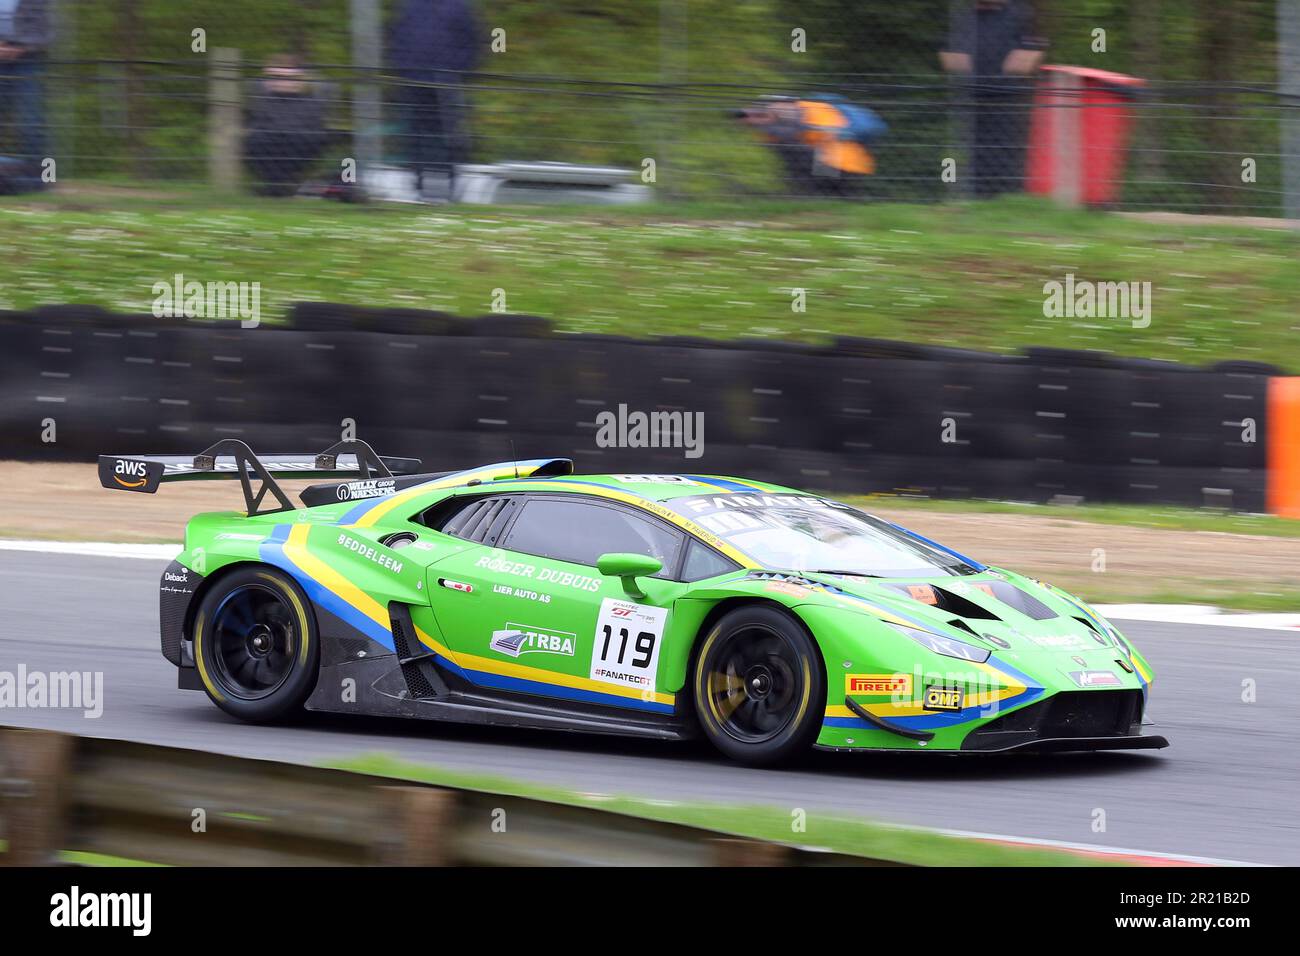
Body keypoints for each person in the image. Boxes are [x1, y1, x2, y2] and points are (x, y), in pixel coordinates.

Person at [940, 0, 1046, 198]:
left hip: (1008, 103)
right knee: (974, 158)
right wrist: (975, 79)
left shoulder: (1020, 13)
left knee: (1007, 156)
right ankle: (977, 202)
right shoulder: (965, 18)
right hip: (974, 104)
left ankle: (1007, 201)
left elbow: (1028, 56)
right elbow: (951, 57)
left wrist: (994, 80)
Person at [388, 0, 482, 202]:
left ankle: (451, 186)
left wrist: (457, 72)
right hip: (414, 81)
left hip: (445, 82)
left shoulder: (459, 7)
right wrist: (403, 69)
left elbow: (473, 41)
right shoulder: (410, 6)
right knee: (415, 135)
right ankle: (419, 187)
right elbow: (396, 38)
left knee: (450, 135)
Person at [243, 55, 332, 197]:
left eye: (289, 77)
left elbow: (326, 88)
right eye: (276, 76)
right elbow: (256, 121)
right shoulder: (262, 98)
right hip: (267, 143)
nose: (282, 82)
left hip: (300, 143)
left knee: (301, 142)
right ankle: (277, 187)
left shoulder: (312, 100)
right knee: (257, 142)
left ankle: (283, 187)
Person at [0, 0, 52, 195]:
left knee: (31, 124)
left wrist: (20, 46)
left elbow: (44, 31)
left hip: (28, 61)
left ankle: (47, 177)